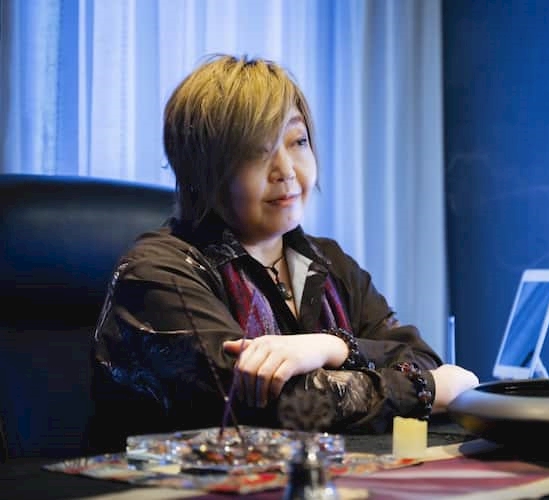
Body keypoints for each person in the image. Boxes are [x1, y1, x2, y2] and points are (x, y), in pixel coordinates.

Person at [90, 54, 478, 450]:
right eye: (257, 152)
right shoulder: (156, 273)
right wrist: (427, 390)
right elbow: (272, 406)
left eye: (298, 142)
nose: (287, 170)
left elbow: (418, 355)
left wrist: (331, 346)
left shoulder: (327, 262)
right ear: (202, 168)